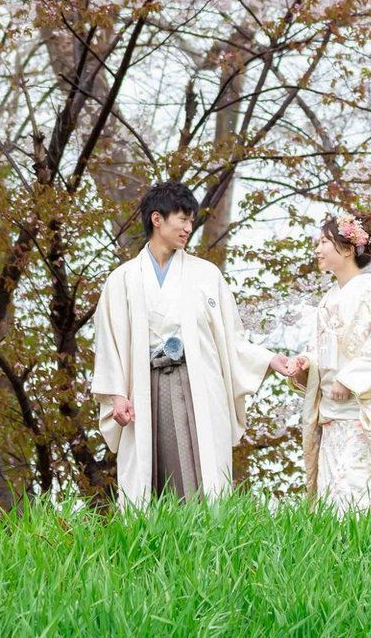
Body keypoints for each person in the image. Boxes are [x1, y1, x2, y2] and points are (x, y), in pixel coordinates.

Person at [91, 180, 291, 506]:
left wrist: (268, 359)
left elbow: (231, 337)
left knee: (201, 472)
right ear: (157, 219)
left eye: (191, 221)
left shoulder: (206, 275)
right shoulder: (122, 280)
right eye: (182, 219)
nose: (188, 228)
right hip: (144, 386)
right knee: (147, 477)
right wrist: (117, 395)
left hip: (197, 384)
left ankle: (204, 534)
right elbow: (108, 342)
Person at [288, 210, 371, 511]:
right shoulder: (330, 297)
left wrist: (350, 379)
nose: (317, 249)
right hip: (333, 409)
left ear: (346, 249)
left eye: (324, 242)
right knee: (334, 487)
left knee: (358, 487)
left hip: (361, 406)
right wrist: (307, 363)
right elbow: (323, 349)